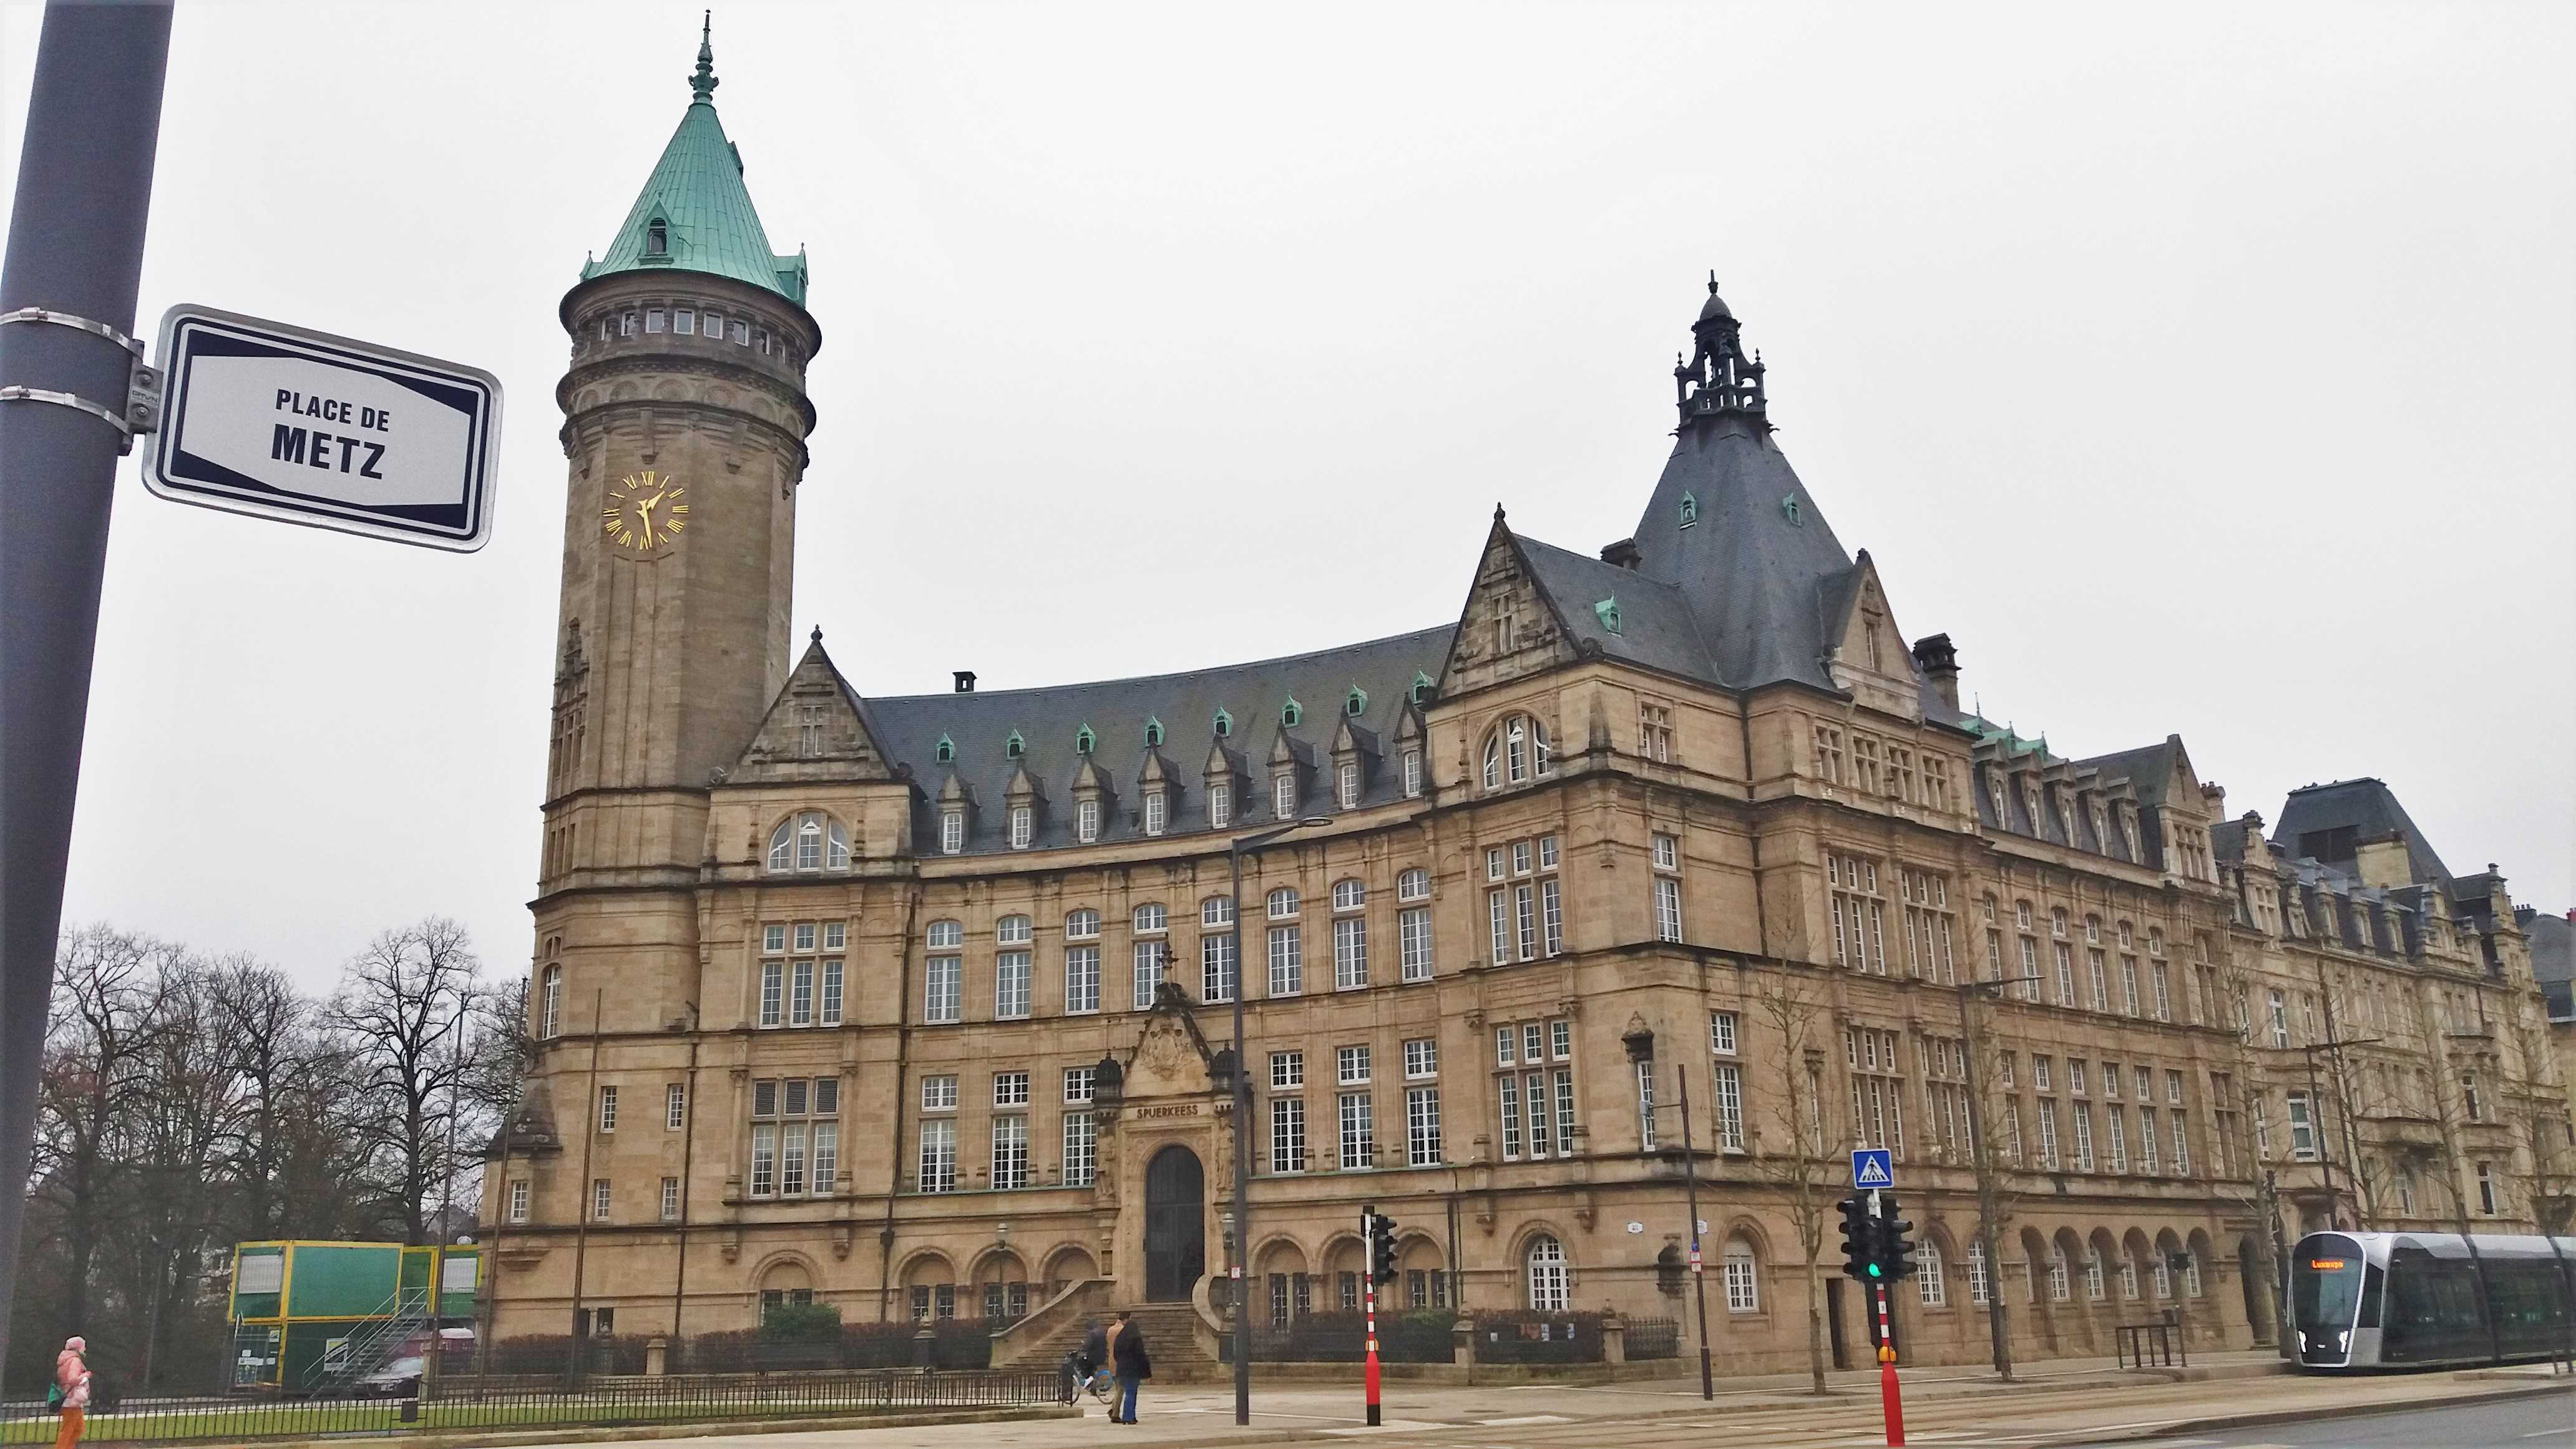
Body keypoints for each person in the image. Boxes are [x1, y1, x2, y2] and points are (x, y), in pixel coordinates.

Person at [1108, 1309, 1150, 1425]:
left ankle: (1125, 1415)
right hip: (1134, 1370)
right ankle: (1129, 1416)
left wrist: (1121, 1363)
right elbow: (1140, 1354)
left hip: (1121, 1369)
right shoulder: (1136, 1339)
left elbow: (1116, 1353)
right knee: (1131, 1393)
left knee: (1125, 1392)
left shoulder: (1120, 1338)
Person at [54, 1337, 91, 1449]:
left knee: (78, 1428)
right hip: (72, 1400)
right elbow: (73, 1379)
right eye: (83, 1347)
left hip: (70, 1399)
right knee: (69, 1430)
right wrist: (86, 1375)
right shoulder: (75, 1361)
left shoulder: (65, 1360)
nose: (85, 1350)